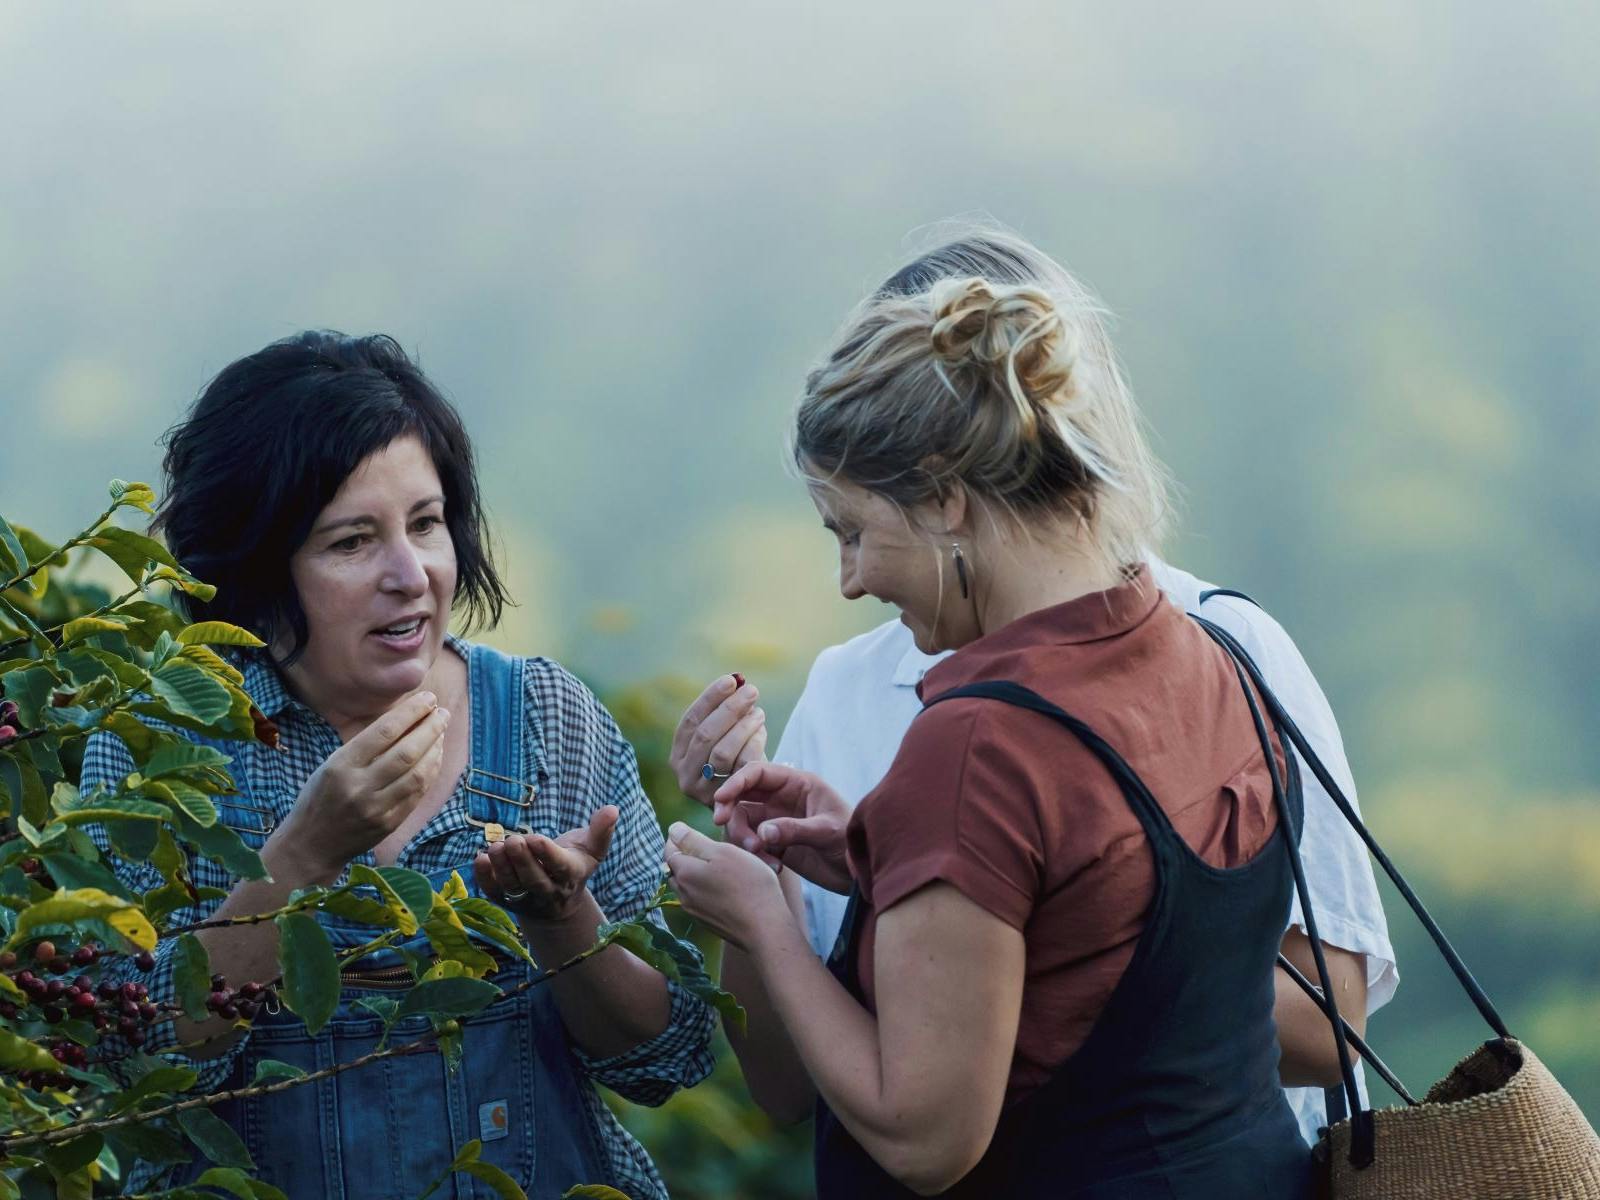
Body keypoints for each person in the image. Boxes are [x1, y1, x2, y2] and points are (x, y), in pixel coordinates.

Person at [671, 231, 1395, 1152]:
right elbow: (783, 1086)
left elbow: (1325, 1026)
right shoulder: (860, 687)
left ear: (947, 491)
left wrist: (960, 920)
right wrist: (869, 881)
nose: (847, 581)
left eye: (851, 530)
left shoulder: (1202, 653)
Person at [82, 332, 713, 1200]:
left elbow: (669, 1057)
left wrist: (563, 919)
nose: (410, 573)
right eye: (351, 542)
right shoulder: (166, 745)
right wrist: (300, 859)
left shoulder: (547, 720)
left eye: (425, 524)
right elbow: (117, 1070)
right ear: (259, 568)